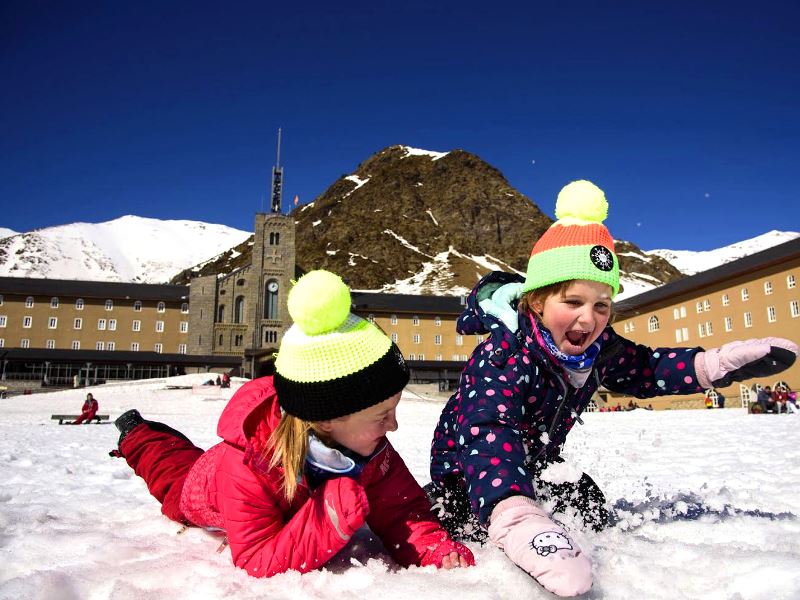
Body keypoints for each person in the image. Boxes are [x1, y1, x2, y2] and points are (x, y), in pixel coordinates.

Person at [427, 180, 798, 597]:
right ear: (536, 302)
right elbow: (489, 430)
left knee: (585, 500)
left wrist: (712, 365)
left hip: (537, 468)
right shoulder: (503, 355)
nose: (589, 319)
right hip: (468, 479)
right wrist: (514, 513)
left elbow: (647, 368)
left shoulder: (599, 350)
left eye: (601, 305)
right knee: (452, 522)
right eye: (572, 302)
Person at [111, 270, 474, 578]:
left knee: (181, 459)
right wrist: (327, 517)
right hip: (204, 487)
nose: (393, 426)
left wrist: (433, 548)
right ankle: (137, 434)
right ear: (327, 419)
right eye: (382, 415)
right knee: (168, 468)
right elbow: (255, 558)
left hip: (247, 478)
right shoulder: (249, 466)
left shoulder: (370, 450)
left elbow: (402, 511)